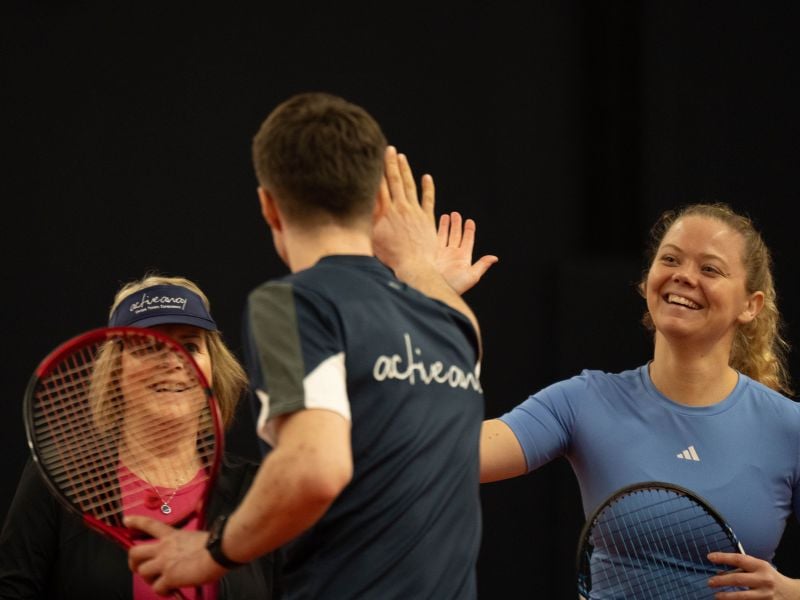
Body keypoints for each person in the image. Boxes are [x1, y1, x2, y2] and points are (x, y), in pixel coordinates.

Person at [126, 92, 496, 599]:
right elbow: (459, 321)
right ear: (380, 203)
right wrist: (417, 265)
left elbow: (316, 467)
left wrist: (211, 552)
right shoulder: (451, 326)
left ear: (269, 206)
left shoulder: (287, 305)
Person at [479, 202, 800, 597]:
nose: (683, 276)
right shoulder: (583, 401)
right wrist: (429, 311)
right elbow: (457, 456)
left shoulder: (789, 427)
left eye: (710, 269)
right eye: (670, 259)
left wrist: (792, 592)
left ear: (750, 306)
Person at [0, 274, 283, 599]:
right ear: (115, 371)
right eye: (148, 346)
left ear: (213, 369)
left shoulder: (257, 490)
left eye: (190, 345)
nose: (174, 360)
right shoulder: (61, 481)